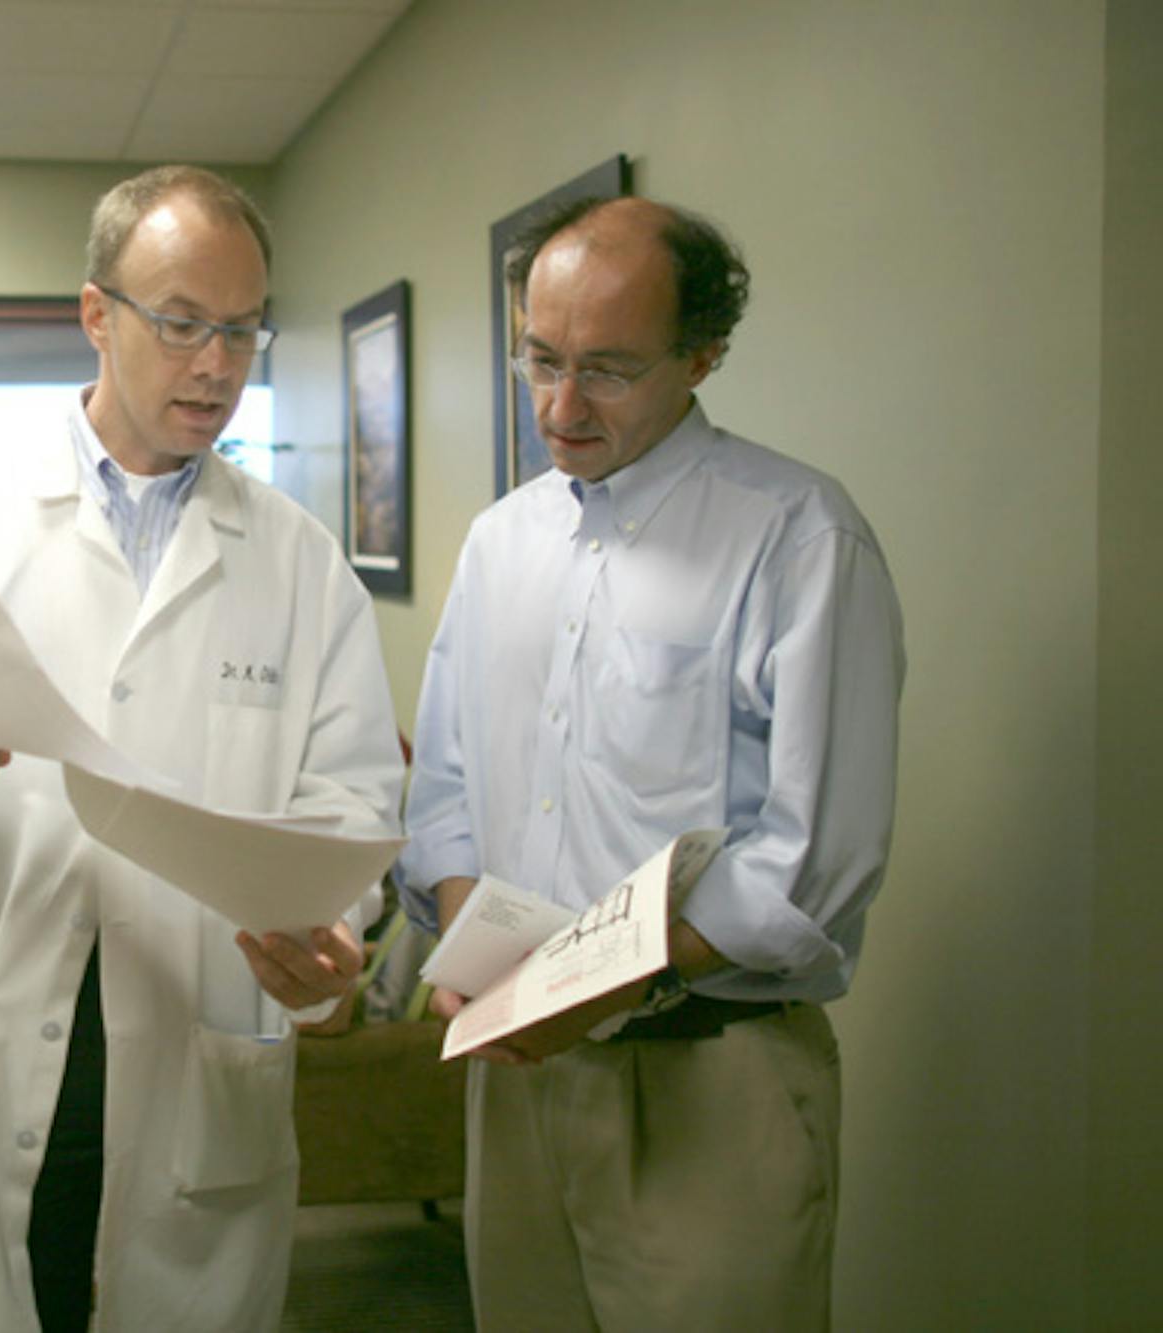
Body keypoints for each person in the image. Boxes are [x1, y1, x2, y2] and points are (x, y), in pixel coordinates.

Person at [0, 164, 403, 1332]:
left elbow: (352, 801)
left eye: (242, 330)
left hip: (197, 1035)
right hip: (6, 1017)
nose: (216, 364)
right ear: (95, 313)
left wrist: (331, 934)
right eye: (180, 324)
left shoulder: (301, 561)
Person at [397, 196, 903, 1331]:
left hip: (709, 1082)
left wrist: (588, 983)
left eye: (611, 370)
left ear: (703, 355)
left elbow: (812, 860)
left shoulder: (798, 535)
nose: (562, 407)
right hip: (517, 1075)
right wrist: (472, 929)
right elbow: (448, 788)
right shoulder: (502, 542)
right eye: (540, 359)